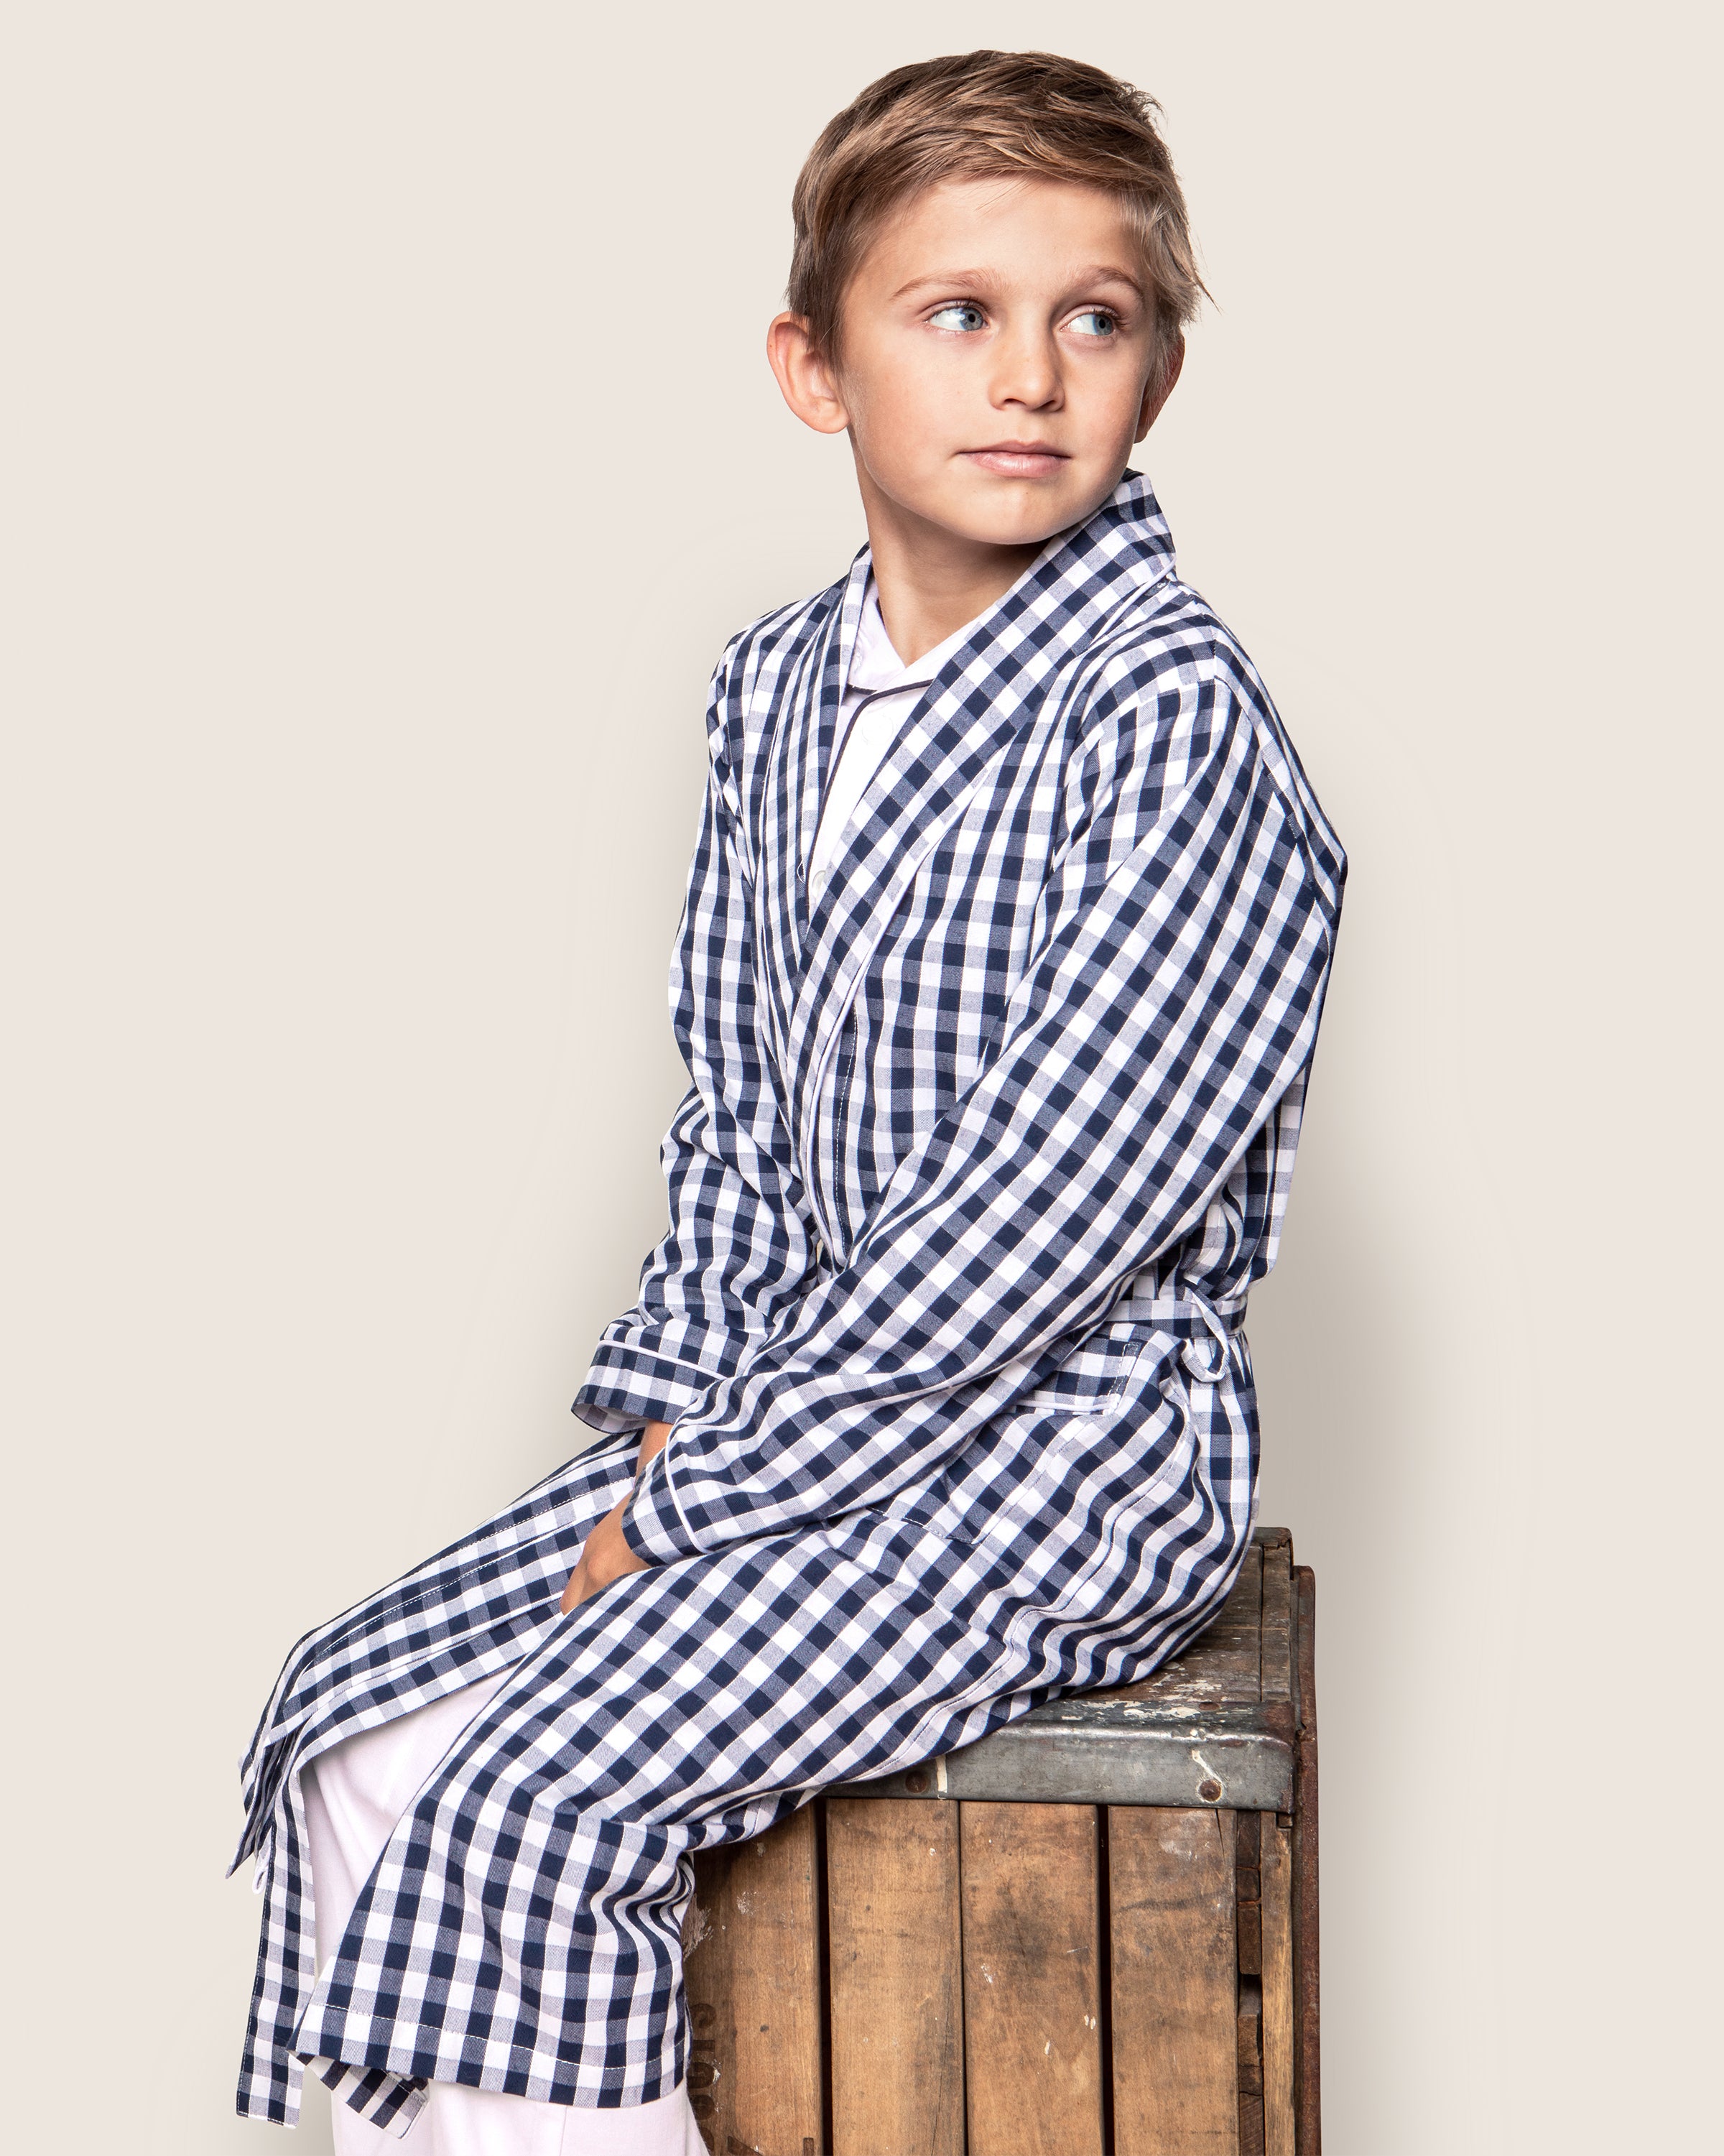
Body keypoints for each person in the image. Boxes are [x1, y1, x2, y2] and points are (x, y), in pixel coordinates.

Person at [233, 48, 1344, 2154]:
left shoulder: (1179, 731)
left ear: (1159, 373)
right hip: (787, 1413)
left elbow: (1018, 1239)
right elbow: (739, 1113)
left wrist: (699, 1503)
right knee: (356, 1724)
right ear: (812, 365)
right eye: (959, 312)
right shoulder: (775, 688)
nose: (1031, 373)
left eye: (1093, 319)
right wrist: (678, 1415)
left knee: (546, 1793)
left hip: (1063, 1440)